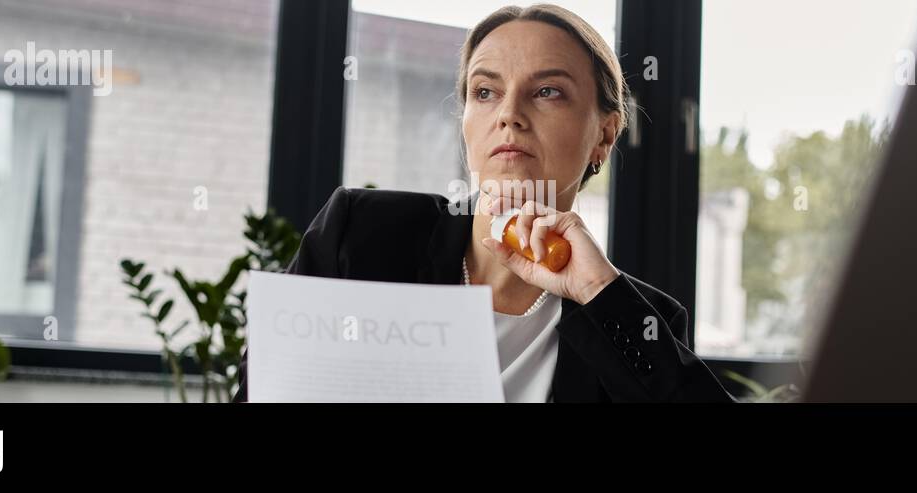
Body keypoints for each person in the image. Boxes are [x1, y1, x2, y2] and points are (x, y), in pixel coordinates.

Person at [235, 4, 733, 402]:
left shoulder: (637, 318)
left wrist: (598, 292)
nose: (509, 115)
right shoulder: (361, 232)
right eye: (486, 91)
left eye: (548, 91)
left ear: (604, 134)